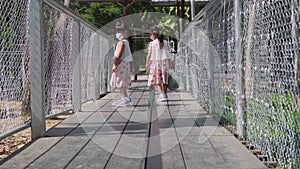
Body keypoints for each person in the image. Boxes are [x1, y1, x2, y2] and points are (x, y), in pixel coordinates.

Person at [146, 26, 173, 102]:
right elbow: (168, 54)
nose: (150, 36)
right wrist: (170, 63)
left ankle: (161, 95)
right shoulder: (165, 42)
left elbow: (149, 55)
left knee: (158, 79)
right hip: (164, 63)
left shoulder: (152, 43)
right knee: (164, 79)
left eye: (150, 34)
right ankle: (165, 94)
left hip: (156, 63)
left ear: (153, 34)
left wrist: (147, 63)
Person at [110, 22, 133, 107]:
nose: (117, 33)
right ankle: (124, 98)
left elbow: (118, 54)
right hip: (125, 64)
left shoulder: (121, 43)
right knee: (122, 81)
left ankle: (125, 99)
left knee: (120, 81)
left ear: (124, 32)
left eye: (119, 31)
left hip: (121, 64)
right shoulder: (126, 42)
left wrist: (115, 64)